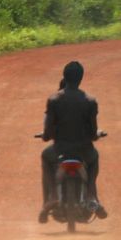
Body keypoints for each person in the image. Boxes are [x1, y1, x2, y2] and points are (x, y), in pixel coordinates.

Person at [38, 60, 107, 222]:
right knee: (94, 158)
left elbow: (48, 133)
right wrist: (96, 135)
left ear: (65, 77)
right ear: (81, 78)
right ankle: (91, 195)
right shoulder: (90, 101)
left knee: (45, 157)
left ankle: (53, 195)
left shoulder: (54, 100)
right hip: (84, 150)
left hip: (59, 150)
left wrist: (45, 137)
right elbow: (92, 133)